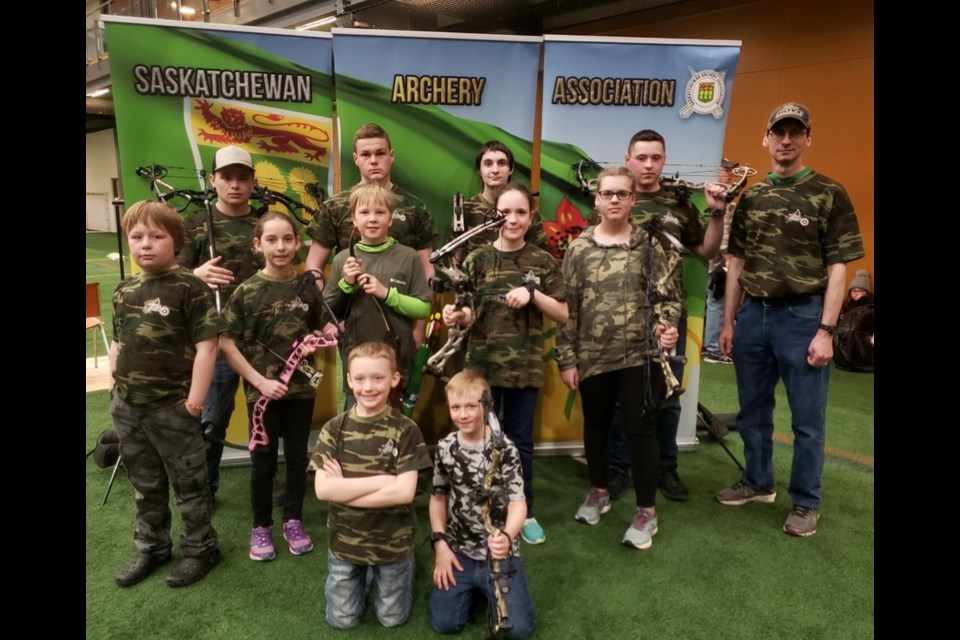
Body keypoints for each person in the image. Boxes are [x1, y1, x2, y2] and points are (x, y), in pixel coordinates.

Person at [716, 102, 865, 537]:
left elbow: (839, 266)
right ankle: (758, 482)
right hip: (753, 317)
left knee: (807, 420)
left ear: (806, 138)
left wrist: (827, 330)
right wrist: (728, 322)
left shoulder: (828, 193)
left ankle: (805, 501)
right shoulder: (754, 198)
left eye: (794, 132)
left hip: (803, 318)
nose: (785, 140)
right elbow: (737, 263)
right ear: (766, 138)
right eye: (778, 132)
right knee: (753, 410)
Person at [556, 167, 680, 550]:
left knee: (640, 432)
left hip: (639, 356)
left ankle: (646, 512)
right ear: (596, 199)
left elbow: (669, 298)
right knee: (595, 427)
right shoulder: (578, 248)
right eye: (607, 193)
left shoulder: (649, 245)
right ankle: (598, 491)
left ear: (632, 200)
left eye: (621, 194)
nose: (613, 200)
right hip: (592, 355)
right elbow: (567, 308)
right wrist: (567, 358)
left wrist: (669, 326)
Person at [601, 130, 727, 503]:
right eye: (641, 157)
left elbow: (706, 250)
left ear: (664, 159)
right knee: (621, 396)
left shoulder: (680, 204)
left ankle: (665, 468)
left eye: (656, 157)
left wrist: (717, 213)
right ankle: (619, 466)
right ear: (628, 159)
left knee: (668, 393)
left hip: (668, 311)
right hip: (619, 312)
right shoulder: (617, 200)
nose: (649, 164)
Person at [442, 183, 568, 546]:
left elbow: (562, 314)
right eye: (505, 212)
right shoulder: (476, 259)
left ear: (530, 219)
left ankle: (523, 511)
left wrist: (533, 294)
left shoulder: (542, 262)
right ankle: (478, 509)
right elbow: (466, 312)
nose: (512, 219)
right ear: (494, 215)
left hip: (524, 369)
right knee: (478, 441)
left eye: (520, 213)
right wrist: (456, 315)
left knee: (519, 444)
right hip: (480, 370)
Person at [110, 200, 223, 588]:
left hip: (172, 407)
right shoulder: (125, 289)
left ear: (176, 242)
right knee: (145, 484)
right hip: (129, 407)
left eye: (157, 236)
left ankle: (201, 549)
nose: (146, 244)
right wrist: (115, 384)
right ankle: (152, 548)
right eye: (137, 236)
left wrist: (194, 403)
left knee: (189, 485)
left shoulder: (190, 287)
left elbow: (208, 346)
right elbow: (118, 340)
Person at [218, 212, 335, 561]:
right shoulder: (246, 291)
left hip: (301, 391)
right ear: (258, 245)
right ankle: (261, 526)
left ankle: (294, 520)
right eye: (271, 239)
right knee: (263, 460)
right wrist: (260, 382)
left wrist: (324, 335)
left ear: (297, 243)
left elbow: (326, 326)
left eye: (287, 239)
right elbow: (226, 343)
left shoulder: (306, 288)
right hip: (262, 394)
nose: (280, 246)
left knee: (298, 458)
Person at [311, 341, 433, 629]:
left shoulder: (406, 430)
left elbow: (403, 493)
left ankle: (394, 570)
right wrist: (382, 481)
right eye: (361, 378)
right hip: (345, 543)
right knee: (341, 621)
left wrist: (344, 490)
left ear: (394, 378)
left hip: (392, 543)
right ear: (349, 380)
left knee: (392, 619)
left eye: (378, 378)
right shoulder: (334, 429)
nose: (369, 387)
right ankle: (364, 574)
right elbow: (323, 491)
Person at [178, 144, 263, 497]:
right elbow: (171, 278)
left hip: (260, 338)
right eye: (226, 177)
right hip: (215, 338)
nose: (234, 185)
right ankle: (204, 490)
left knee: (265, 419)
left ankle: (266, 485)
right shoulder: (196, 224)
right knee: (211, 421)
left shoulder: (265, 224)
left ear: (253, 182)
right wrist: (196, 273)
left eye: (242, 178)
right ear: (213, 180)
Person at [305, 123, 438, 347]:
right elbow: (313, 266)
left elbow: (427, 269)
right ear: (356, 159)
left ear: (391, 156)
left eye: (380, 153)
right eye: (366, 154)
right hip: (353, 323)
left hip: (399, 326)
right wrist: (330, 317)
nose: (373, 160)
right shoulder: (335, 207)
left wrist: (419, 326)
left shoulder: (414, 207)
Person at [428, 371, 535, 638]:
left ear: (486, 406)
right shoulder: (445, 447)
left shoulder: (506, 448)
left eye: (470, 406)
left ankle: (485, 586)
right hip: (458, 549)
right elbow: (437, 497)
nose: (462, 414)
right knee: (444, 623)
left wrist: (508, 537)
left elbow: (519, 503)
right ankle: (474, 588)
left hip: (498, 551)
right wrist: (440, 544)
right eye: (455, 407)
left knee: (519, 630)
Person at [322, 183, 432, 409]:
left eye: (380, 212)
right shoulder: (343, 259)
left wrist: (387, 294)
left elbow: (423, 308)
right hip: (355, 361)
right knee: (356, 425)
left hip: (395, 359)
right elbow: (327, 313)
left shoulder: (408, 257)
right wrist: (346, 283)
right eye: (364, 212)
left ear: (390, 219)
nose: (372, 219)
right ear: (354, 219)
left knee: (392, 427)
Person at [449, 141, 546, 266]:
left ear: (511, 169)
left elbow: (540, 256)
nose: (495, 170)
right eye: (488, 164)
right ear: (479, 170)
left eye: (501, 163)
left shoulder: (525, 209)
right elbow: (454, 260)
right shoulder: (465, 210)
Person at [702, 159, 742, 364]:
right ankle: (713, 349)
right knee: (717, 301)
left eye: (731, 170)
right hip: (717, 262)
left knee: (713, 302)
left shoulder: (720, 195)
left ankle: (710, 346)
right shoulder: (720, 197)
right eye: (726, 170)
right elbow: (724, 235)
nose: (730, 173)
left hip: (711, 260)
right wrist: (728, 261)